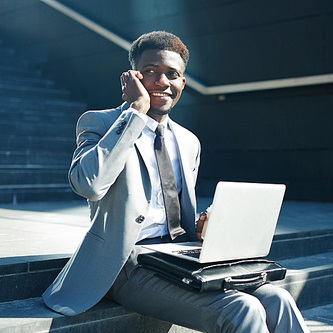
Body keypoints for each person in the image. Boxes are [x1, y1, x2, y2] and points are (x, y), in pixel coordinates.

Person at [42, 31, 310, 333]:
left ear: (182, 83)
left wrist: (201, 226)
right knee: (242, 309)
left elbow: (170, 208)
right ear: (131, 77)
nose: (161, 81)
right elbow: (88, 184)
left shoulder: (188, 141)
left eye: (172, 74)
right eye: (150, 72)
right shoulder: (99, 123)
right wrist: (136, 112)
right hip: (128, 265)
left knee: (278, 298)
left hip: (179, 257)